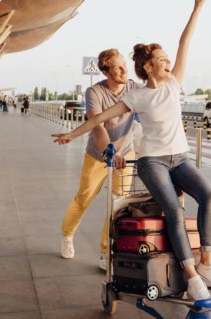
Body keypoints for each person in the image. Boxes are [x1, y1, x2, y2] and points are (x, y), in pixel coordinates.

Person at [52, 0, 211, 300]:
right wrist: (71, 134)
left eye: (166, 59)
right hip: (150, 161)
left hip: (179, 157)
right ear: (149, 66)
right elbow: (99, 120)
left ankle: (206, 264)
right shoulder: (134, 95)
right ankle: (191, 279)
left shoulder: (173, 82)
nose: (168, 62)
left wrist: (197, 9)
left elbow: (184, 41)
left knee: (210, 194)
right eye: (162, 60)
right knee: (172, 211)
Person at [53, 49, 143, 270]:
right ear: (105, 71)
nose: (124, 70)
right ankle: (67, 235)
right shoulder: (95, 92)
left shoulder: (134, 88)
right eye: (118, 67)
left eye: (124, 65)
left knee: (117, 204)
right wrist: (111, 151)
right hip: (99, 155)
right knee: (84, 198)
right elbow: (98, 126)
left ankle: (106, 252)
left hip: (126, 153)